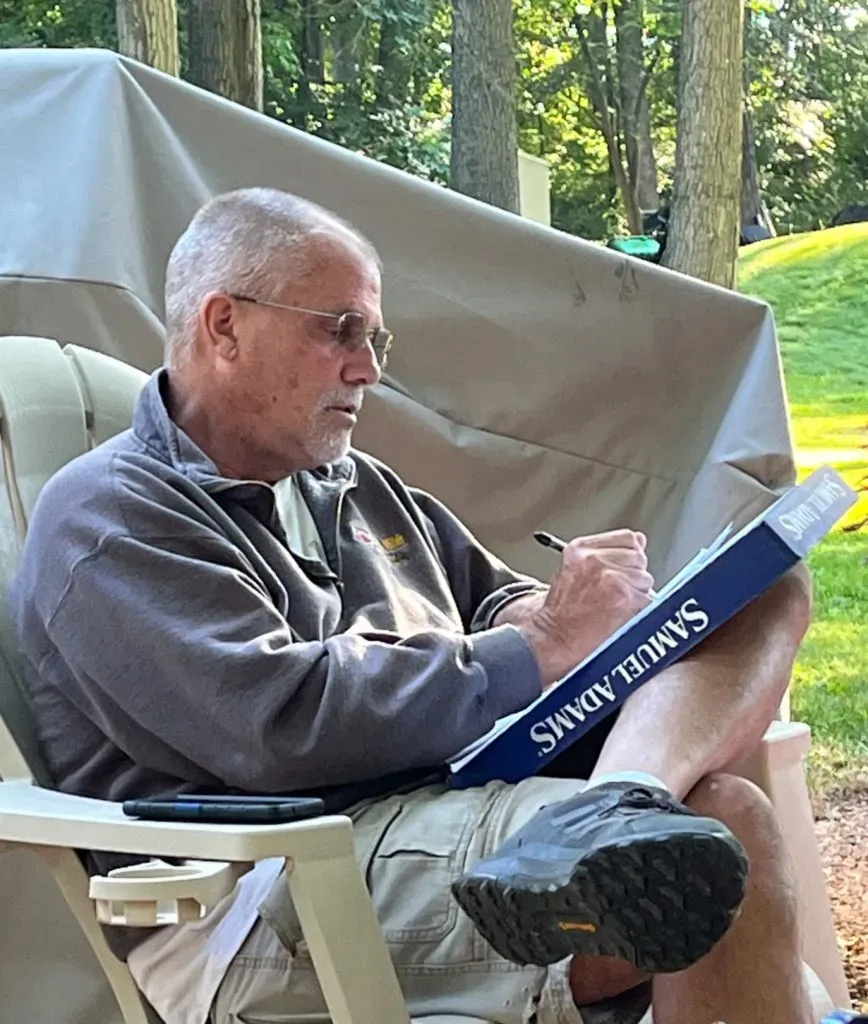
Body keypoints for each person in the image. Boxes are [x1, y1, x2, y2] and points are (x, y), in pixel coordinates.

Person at [9, 188, 824, 1024]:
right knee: (719, 833)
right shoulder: (112, 517)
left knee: (767, 591)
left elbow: (495, 598)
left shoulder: (355, 482)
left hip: (449, 805)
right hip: (269, 881)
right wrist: (540, 642)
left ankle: (613, 806)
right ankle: (611, 822)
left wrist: (584, 617)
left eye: (374, 336)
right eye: (339, 329)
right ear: (224, 326)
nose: (369, 367)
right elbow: (280, 726)